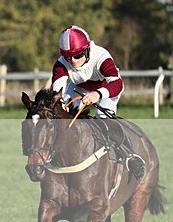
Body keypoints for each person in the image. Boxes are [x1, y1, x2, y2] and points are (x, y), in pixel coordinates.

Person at [49, 25, 145, 178]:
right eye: (68, 57)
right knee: (63, 117)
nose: (73, 61)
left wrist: (97, 94)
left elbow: (117, 84)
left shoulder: (101, 56)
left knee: (105, 123)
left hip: (105, 89)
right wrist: (61, 104)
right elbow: (57, 92)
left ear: (87, 50)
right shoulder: (60, 64)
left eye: (78, 55)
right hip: (78, 88)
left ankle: (129, 156)